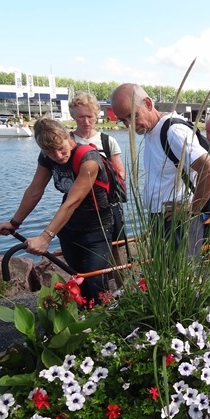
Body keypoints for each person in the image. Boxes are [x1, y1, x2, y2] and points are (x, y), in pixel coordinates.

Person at [0, 118, 113, 306]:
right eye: (50, 152)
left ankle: (106, 325)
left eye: (61, 149)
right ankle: (83, 326)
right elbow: (35, 190)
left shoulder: (89, 159)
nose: (58, 156)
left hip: (96, 228)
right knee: (77, 280)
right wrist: (15, 222)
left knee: (96, 283)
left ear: (68, 136)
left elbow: (73, 201)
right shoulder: (46, 158)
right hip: (69, 228)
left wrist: (45, 237)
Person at [110, 83, 210, 253]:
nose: (129, 125)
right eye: (123, 120)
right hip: (163, 219)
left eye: (132, 116)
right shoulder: (151, 130)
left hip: (178, 221)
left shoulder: (173, 131)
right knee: (166, 277)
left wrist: (191, 210)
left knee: (182, 277)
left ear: (147, 104)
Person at [69, 91, 127, 283]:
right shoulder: (67, 142)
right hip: (79, 209)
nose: (86, 121)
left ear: (96, 115)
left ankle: (122, 289)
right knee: (87, 256)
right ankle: (94, 293)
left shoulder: (106, 141)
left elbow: (120, 173)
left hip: (107, 206)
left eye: (90, 116)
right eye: (81, 117)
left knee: (116, 250)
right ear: (73, 116)